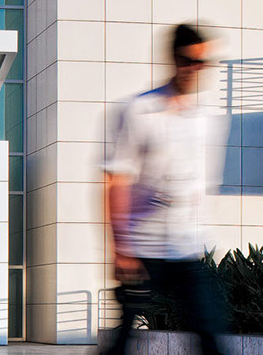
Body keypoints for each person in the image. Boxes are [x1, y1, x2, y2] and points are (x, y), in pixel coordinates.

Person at [99, 23, 229, 355]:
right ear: (173, 60)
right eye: (188, 60)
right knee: (123, 339)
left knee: (210, 334)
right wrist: (120, 249)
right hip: (143, 245)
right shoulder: (138, 110)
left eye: (202, 62)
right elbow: (116, 181)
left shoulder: (207, 118)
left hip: (187, 246)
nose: (195, 69)